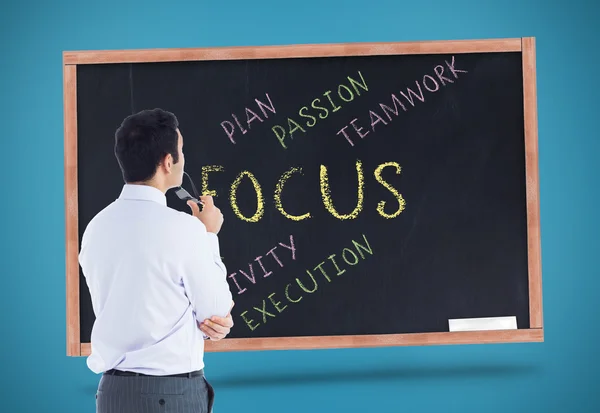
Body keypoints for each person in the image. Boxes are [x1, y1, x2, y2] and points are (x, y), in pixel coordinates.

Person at [78, 108, 234, 413]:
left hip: (111, 394)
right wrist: (208, 234)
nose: (183, 158)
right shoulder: (185, 229)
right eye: (182, 151)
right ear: (167, 161)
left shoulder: (96, 226)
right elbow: (216, 310)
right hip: (169, 394)